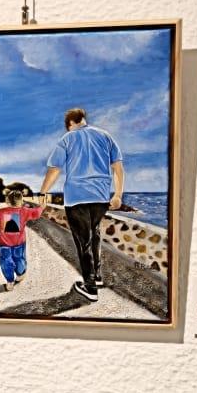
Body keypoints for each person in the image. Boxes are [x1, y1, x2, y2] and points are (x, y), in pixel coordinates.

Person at [41, 108, 124, 301]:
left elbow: (54, 169)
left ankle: (90, 287)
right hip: (101, 197)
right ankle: (97, 276)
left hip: (77, 197)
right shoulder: (105, 136)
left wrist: (43, 192)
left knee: (83, 242)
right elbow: (118, 168)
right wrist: (118, 194)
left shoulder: (67, 139)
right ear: (83, 120)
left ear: (70, 124)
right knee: (94, 234)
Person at [0, 184, 45, 291]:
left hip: (4, 244)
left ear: (7, 201)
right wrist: (41, 207)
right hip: (19, 243)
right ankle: (20, 274)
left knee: (5, 261)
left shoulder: (1, 212)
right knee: (20, 259)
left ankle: (10, 282)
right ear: (21, 201)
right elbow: (36, 213)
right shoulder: (25, 211)